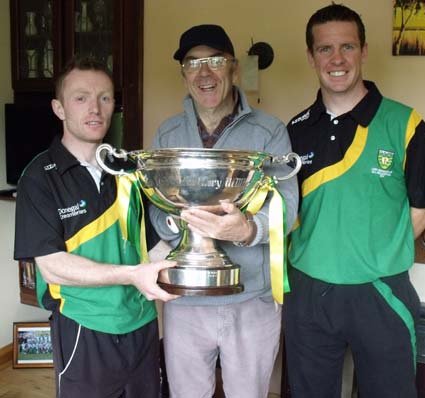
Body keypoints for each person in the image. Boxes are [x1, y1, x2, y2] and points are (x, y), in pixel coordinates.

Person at [283, 4, 425, 398]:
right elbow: (286, 210)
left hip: (381, 291)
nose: (337, 59)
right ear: (311, 56)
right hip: (308, 293)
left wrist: (376, 255)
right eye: (325, 49)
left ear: (364, 51)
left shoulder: (406, 124)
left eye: (348, 47)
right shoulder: (294, 132)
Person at [14, 57, 177, 398]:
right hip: (83, 328)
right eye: (81, 98)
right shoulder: (38, 178)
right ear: (59, 108)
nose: (95, 108)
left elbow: (151, 243)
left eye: (105, 97)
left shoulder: (128, 170)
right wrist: (132, 274)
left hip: (142, 325)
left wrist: (189, 256)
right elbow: (53, 266)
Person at [149, 24, 298, 398]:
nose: (204, 73)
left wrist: (246, 231)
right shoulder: (167, 135)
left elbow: (287, 206)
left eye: (215, 61)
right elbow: (154, 207)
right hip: (186, 298)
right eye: (193, 63)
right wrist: (179, 225)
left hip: (252, 298)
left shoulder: (270, 132)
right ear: (183, 73)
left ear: (233, 68)